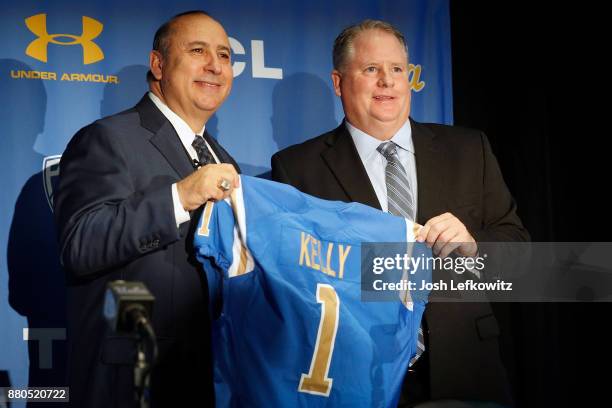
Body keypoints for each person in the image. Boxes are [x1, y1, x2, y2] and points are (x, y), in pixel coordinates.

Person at [271, 20, 529, 406]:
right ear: (339, 83)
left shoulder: (468, 149)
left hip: (467, 370)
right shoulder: (297, 168)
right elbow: (293, 279)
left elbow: (522, 257)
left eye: (396, 70)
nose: (387, 82)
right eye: (371, 69)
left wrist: (475, 248)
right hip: (356, 378)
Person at [54, 10, 239, 407]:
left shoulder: (224, 160)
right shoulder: (107, 138)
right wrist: (179, 198)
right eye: (197, 50)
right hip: (135, 382)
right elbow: (80, 245)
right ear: (158, 65)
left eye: (224, 55)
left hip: (210, 380)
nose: (214, 65)